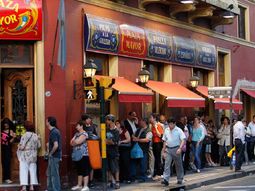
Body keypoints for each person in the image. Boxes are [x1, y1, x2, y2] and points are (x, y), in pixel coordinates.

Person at [161, 118, 186, 186]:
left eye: (171, 124)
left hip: (176, 149)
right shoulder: (166, 130)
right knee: (167, 164)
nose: (170, 125)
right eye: (169, 124)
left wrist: (180, 148)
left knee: (178, 165)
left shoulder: (178, 130)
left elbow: (183, 139)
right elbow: (164, 141)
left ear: (174, 123)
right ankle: (166, 179)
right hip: (168, 149)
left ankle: (180, 179)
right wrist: (163, 151)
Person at [17, 121, 41, 191]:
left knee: (24, 170)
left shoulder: (24, 135)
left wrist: (19, 146)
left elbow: (22, 147)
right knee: (33, 170)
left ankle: (24, 187)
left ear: (25, 128)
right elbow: (39, 146)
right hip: (33, 156)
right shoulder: (35, 135)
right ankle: (32, 187)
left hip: (25, 155)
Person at [70, 120, 90, 191]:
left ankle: (85, 186)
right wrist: (75, 142)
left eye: (77, 125)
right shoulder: (76, 134)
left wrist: (75, 141)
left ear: (81, 126)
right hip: (77, 154)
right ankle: (79, 185)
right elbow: (71, 142)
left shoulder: (85, 134)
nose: (76, 127)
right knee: (79, 170)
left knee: (85, 170)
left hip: (84, 154)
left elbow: (78, 142)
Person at [130, 118, 152, 182]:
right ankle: (134, 176)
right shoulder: (138, 129)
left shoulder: (148, 131)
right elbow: (132, 135)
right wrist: (134, 138)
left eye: (141, 121)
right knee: (134, 163)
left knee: (143, 163)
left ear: (144, 122)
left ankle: (143, 177)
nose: (140, 122)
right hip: (136, 149)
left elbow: (147, 140)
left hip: (143, 149)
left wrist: (138, 140)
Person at [81, 114, 97, 187]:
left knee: (91, 165)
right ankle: (84, 182)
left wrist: (94, 136)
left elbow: (96, 135)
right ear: (85, 120)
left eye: (90, 119)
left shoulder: (93, 126)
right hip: (83, 148)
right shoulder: (82, 127)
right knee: (84, 165)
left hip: (92, 147)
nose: (90, 120)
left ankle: (91, 181)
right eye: (88, 119)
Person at [46, 116, 62, 191]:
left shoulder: (54, 132)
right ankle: (50, 189)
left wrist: (50, 153)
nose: (46, 122)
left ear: (49, 122)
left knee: (54, 175)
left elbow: (56, 145)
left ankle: (56, 189)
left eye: (46, 121)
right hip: (54, 156)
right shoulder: (54, 131)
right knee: (50, 174)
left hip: (54, 157)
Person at [105, 114, 120, 189]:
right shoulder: (106, 129)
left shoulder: (116, 130)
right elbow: (104, 140)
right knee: (108, 167)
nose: (106, 121)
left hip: (114, 151)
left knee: (115, 167)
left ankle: (117, 182)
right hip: (107, 151)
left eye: (107, 120)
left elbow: (114, 142)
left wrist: (108, 141)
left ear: (111, 120)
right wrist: (108, 141)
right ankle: (110, 181)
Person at [1, 118, 16, 184]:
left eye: (7, 124)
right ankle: (2, 177)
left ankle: (7, 178)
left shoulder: (11, 131)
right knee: (2, 164)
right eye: (5, 124)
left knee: (7, 163)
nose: (6, 125)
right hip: (1, 149)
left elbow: (10, 142)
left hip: (7, 149)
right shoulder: (1, 130)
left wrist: (13, 137)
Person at [150, 113, 164, 179]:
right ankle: (156, 173)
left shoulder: (158, 125)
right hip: (154, 143)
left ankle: (160, 173)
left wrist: (156, 127)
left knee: (158, 158)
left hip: (158, 143)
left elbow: (160, 135)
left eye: (151, 118)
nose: (150, 119)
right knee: (156, 158)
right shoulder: (152, 126)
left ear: (154, 118)